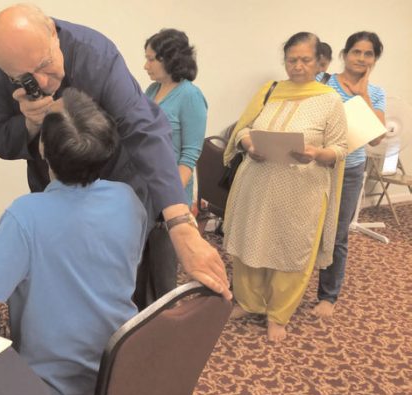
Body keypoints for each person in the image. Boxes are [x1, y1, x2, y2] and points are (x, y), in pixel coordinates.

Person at [0, 4, 231, 308]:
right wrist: (29, 125)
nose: (43, 83)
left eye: (46, 64)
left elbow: (145, 130)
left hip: (118, 186)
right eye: (25, 77)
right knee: (65, 289)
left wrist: (180, 223)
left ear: (52, 32)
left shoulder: (94, 55)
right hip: (54, 194)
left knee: (125, 289)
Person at [0, 88, 148, 395]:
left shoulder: (26, 216)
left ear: (44, 147)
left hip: (48, 386)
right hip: (118, 372)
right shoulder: (129, 200)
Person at [222, 32, 348, 342]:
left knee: (290, 251)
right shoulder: (271, 90)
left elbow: (340, 147)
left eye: (305, 59)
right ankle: (249, 302)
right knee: (250, 243)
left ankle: (278, 315)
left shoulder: (329, 100)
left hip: (301, 192)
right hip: (257, 183)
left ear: (318, 61)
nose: (298, 66)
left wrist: (317, 153)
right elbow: (244, 128)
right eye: (292, 60)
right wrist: (249, 142)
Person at [312, 31, 386, 319]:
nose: (362, 58)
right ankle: (286, 290)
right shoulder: (323, 82)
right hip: (316, 165)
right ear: (345, 54)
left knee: (338, 234)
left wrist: (363, 95)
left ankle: (328, 296)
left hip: (351, 168)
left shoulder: (376, 93)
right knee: (305, 229)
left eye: (369, 54)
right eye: (357, 52)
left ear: (375, 59)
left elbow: (377, 139)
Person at [139, 28, 208, 302]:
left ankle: (164, 323)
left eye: (151, 59)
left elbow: (190, 155)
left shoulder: (190, 95)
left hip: (169, 192)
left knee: (163, 266)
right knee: (141, 262)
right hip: (145, 187)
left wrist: (168, 196)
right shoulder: (152, 89)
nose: (146, 65)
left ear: (171, 59)